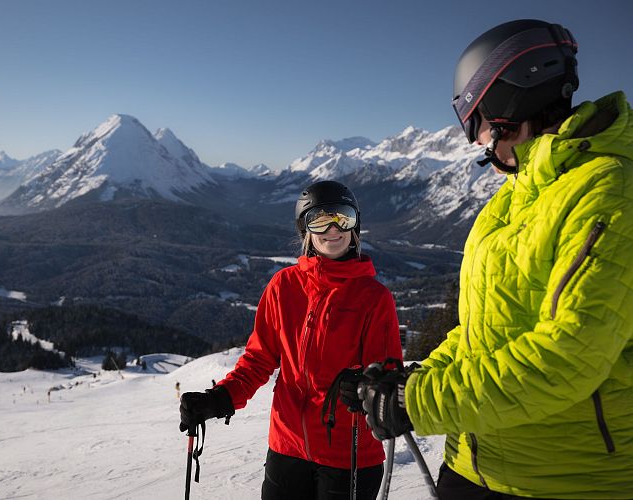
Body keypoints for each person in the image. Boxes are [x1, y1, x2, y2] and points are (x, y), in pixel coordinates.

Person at [358, 19, 633, 499]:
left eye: (479, 120)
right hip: (471, 462)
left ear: (512, 98)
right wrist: (415, 379)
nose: (477, 139)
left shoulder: (608, 190)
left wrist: (419, 402)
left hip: (564, 479)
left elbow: (568, 356)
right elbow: (479, 330)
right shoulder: (509, 202)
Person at [179, 180, 402, 500]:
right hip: (287, 450)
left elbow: (387, 374)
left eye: (343, 217)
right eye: (320, 220)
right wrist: (218, 400)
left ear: (355, 227)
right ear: (305, 230)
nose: (333, 229)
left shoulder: (374, 298)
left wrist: (366, 386)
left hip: (349, 456)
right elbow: (257, 360)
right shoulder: (283, 287)